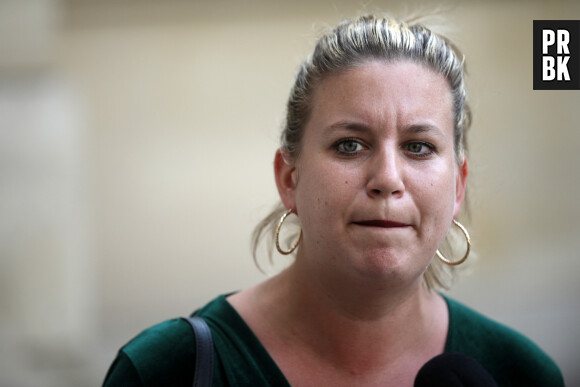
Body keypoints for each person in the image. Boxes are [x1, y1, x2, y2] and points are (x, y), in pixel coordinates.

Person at [103, 14, 564, 386]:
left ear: (458, 186)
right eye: (350, 144)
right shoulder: (168, 370)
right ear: (289, 178)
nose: (387, 178)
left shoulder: (520, 372)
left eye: (418, 147)